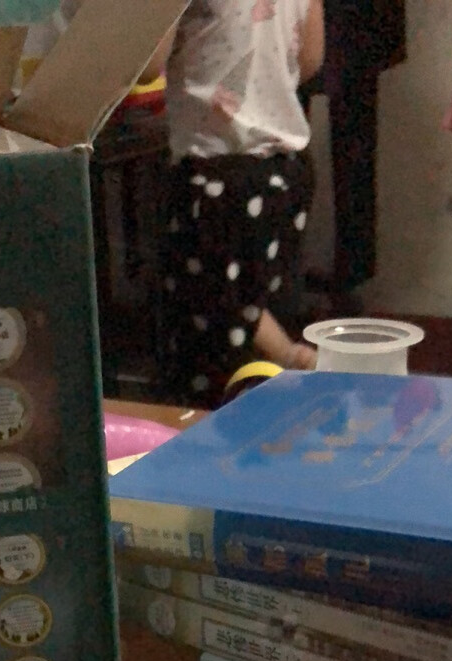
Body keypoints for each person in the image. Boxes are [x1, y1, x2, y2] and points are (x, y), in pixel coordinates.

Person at [153, 0, 324, 406]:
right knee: (258, 295)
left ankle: (286, 359)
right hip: (287, 169)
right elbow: (311, 60)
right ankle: (282, 386)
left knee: (212, 318)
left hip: (217, 171)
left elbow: (146, 65)